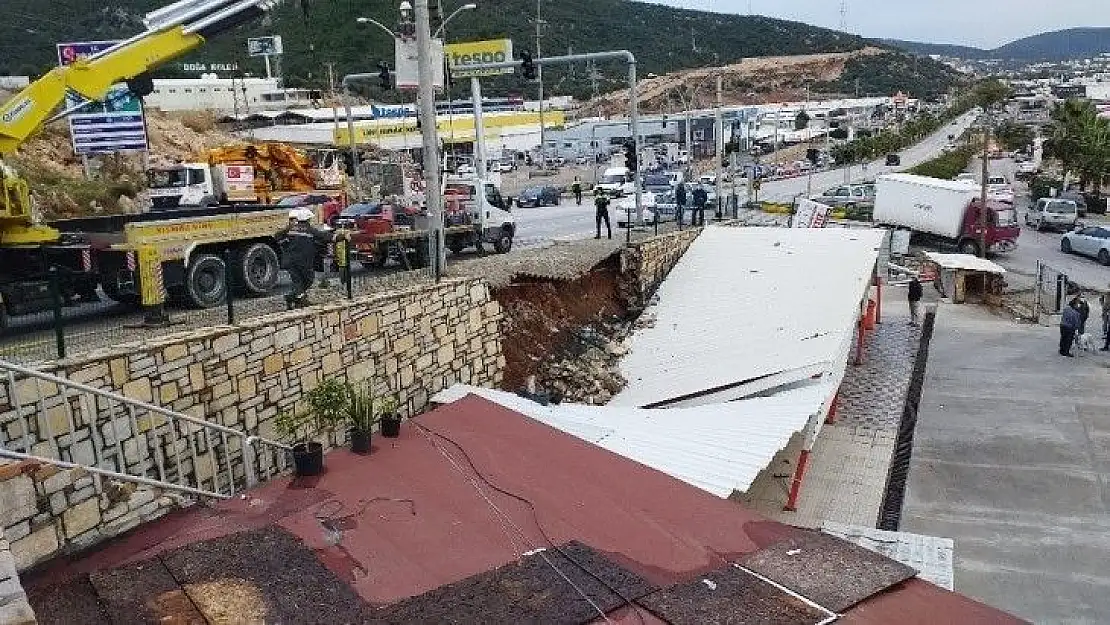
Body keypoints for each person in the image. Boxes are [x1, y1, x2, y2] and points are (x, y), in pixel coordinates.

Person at [278, 208, 343, 309]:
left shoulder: (290, 229)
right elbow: (325, 237)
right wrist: (341, 237)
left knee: (298, 281)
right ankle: (293, 298)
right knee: (308, 280)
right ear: (308, 219)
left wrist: (284, 244)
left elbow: (277, 236)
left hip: (289, 261)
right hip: (303, 261)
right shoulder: (310, 230)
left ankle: (297, 300)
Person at [1101, 287, 1110, 351]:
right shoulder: (1107, 294)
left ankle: (1106, 346)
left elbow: (1106, 305)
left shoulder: (1107, 295)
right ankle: (1106, 346)